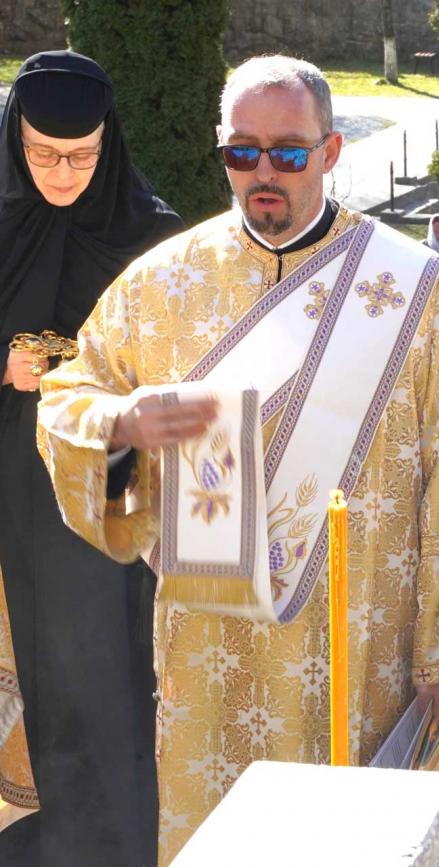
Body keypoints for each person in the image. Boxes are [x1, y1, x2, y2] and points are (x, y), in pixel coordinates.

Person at [36, 55, 439, 862]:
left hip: (359, 646)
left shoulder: (413, 287)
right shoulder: (161, 283)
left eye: (288, 152)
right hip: (208, 650)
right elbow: (67, 396)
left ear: (331, 151)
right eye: (242, 152)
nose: (264, 173)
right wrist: (120, 421)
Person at [0, 51, 182, 865]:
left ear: (110, 144)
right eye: (43, 154)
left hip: (115, 489)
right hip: (16, 483)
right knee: (41, 662)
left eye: (82, 155)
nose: (63, 173)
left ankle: (125, 841)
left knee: (113, 664)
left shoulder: (150, 234)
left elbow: (184, 353)